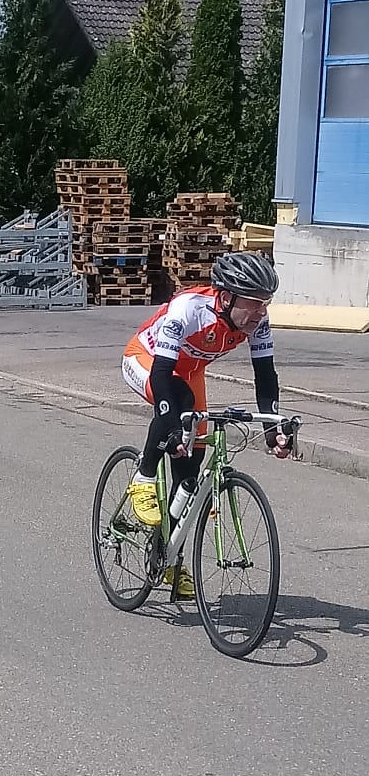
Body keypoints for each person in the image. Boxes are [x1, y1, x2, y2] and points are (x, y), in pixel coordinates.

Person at [120, 252, 290, 599]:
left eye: (266, 303)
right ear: (226, 298)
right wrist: (170, 426)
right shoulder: (189, 309)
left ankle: (167, 559)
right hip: (148, 360)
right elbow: (164, 376)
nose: (262, 312)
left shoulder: (257, 322)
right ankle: (143, 479)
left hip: (191, 373)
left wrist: (274, 429)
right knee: (178, 405)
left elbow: (265, 376)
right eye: (255, 303)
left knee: (189, 478)